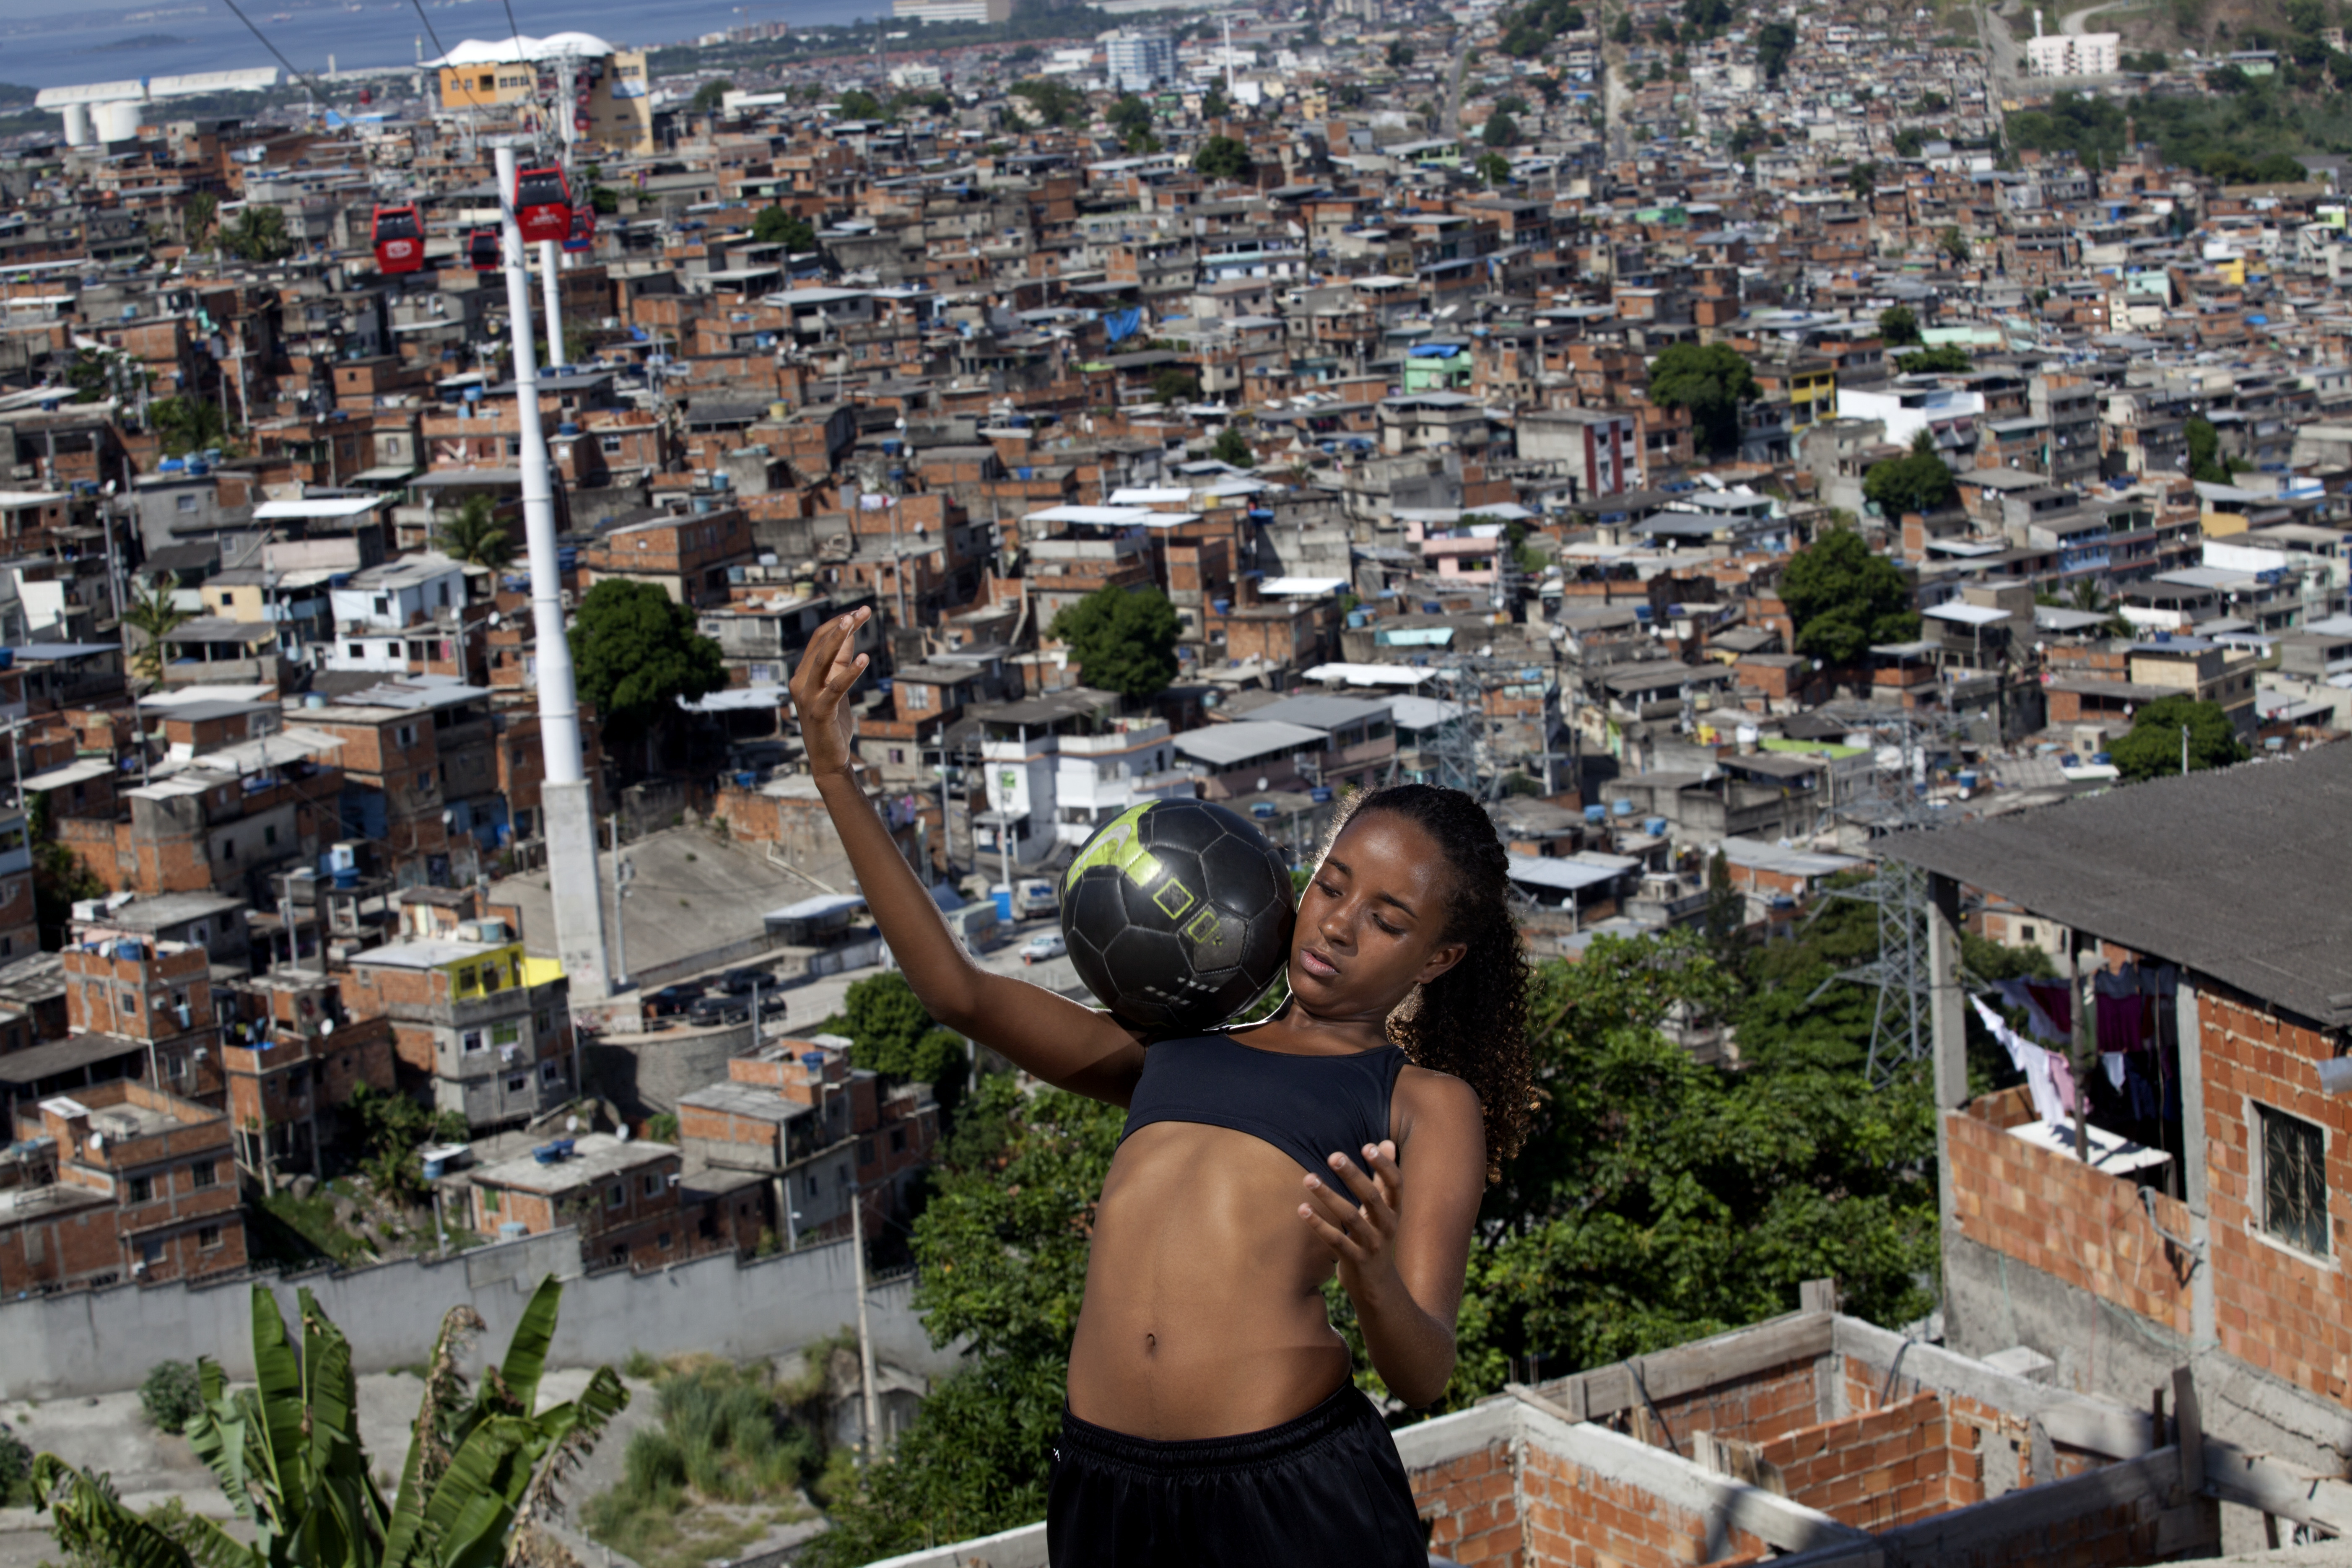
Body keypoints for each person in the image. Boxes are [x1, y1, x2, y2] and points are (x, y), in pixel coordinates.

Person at [788, 607, 1534, 1566]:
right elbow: (959, 990)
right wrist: (833, 768)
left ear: (1440, 959)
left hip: (1292, 1493)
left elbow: (1426, 1372)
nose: (1339, 924)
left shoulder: (1423, 1102)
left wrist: (1375, 1277)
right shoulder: (1175, 1042)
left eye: (1388, 919)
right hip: (1105, 1490)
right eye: (1334, 883)